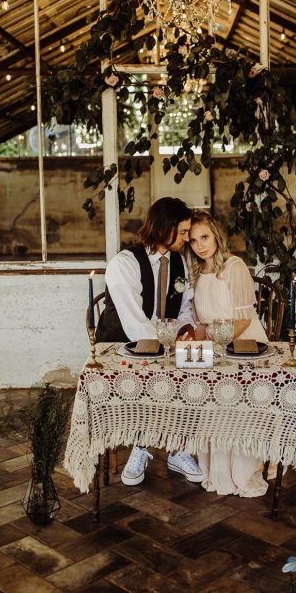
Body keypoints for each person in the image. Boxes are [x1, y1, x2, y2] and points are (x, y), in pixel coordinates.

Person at [96, 197, 203, 487]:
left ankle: (176, 449)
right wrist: (167, 349)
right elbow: (134, 323)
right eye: (182, 233)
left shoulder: (179, 262)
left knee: (196, 372)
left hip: (163, 345)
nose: (186, 239)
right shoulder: (124, 263)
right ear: (163, 228)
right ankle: (140, 446)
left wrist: (187, 330)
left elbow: (183, 307)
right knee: (155, 375)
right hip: (121, 347)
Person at [187, 210, 269, 498]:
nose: (200, 245)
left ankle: (242, 472)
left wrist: (219, 345)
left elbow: (244, 319)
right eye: (194, 240)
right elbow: (198, 323)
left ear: (217, 234)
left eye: (205, 237)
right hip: (212, 347)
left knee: (232, 394)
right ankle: (214, 469)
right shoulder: (196, 273)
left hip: (240, 344)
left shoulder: (234, 267)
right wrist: (199, 349)